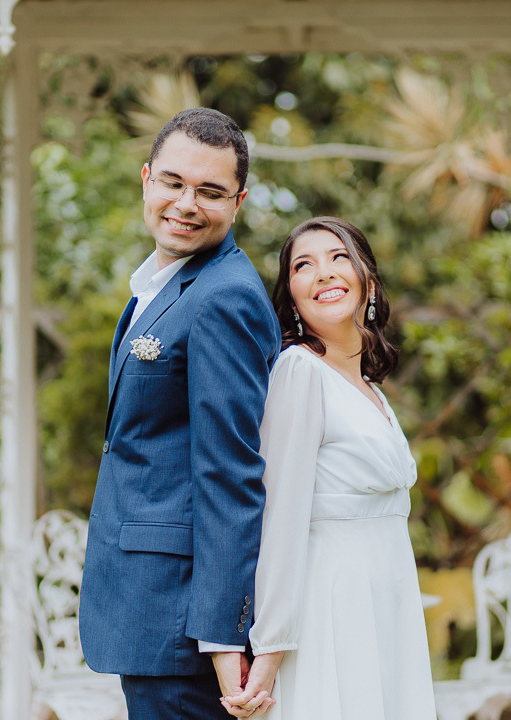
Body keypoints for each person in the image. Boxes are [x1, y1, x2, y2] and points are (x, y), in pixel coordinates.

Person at [78, 108, 281, 719]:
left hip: (181, 626)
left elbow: (230, 475)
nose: (187, 204)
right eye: (173, 182)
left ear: (237, 201)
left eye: (210, 192)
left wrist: (221, 639)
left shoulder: (224, 299)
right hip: (145, 608)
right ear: (146, 179)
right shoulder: (163, 286)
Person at [223, 217, 437, 719]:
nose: (323, 272)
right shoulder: (299, 371)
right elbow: (280, 517)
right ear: (292, 299)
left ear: (369, 282)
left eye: (339, 257)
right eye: (304, 265)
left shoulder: (373, 392)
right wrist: (269, 649)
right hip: (332, 610)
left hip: (389, 603)